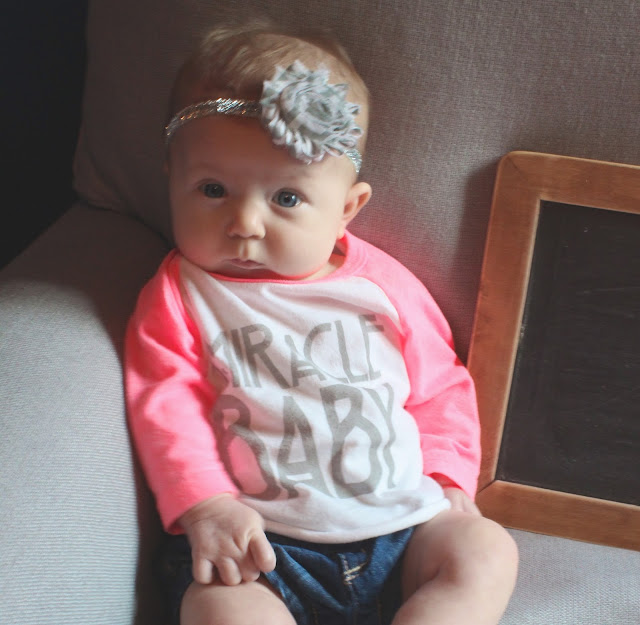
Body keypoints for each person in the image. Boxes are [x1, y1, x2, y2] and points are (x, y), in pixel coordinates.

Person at [125, 22, 518, 625]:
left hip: (402, 530)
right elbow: (165, 405)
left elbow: (440, 387)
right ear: (171, 181)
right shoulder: (181, 294)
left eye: (286, 198)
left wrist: (448, 477)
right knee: (217, 607)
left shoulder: (380, 287)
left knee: (486, 550)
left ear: (346, 209)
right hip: (260, 547)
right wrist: (206, 504)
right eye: (212, 189)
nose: (245, 223)